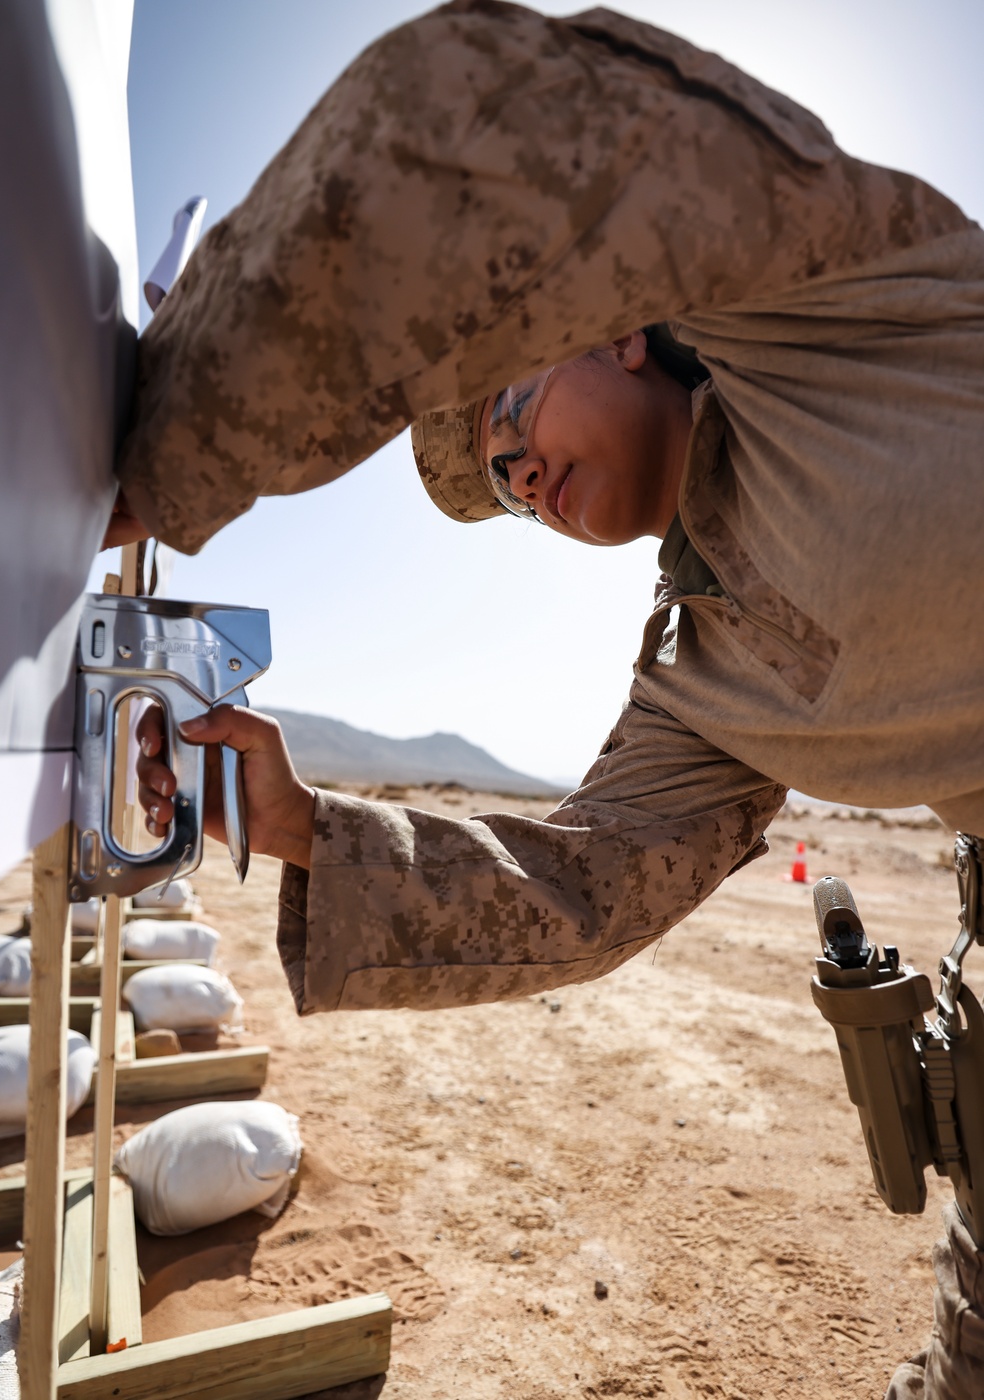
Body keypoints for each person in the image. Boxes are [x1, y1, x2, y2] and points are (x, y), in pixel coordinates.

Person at [117, 5, 984, 1394]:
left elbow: (486, 117)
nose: (519, 475)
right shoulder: (706, 670)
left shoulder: (825, 299)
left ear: (619, 327)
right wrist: (301, 827)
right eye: (504, 485)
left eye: (513, 412)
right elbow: (576, 886)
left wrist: (150, 455)